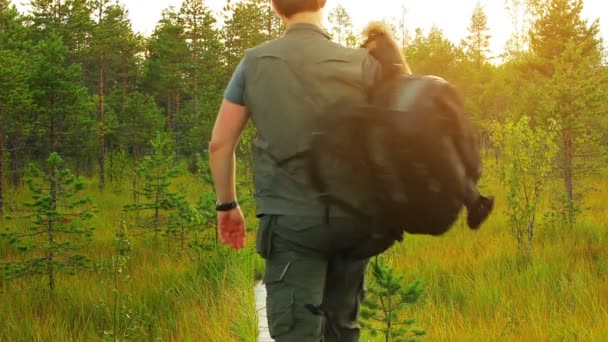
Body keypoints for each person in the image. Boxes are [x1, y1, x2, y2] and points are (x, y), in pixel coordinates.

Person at [208, 1, 387, 340]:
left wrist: (227, 205)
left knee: (296, 333)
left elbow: (220, 143)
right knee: (342, 329)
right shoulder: (363, 63)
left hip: (290, 221)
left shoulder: (255, 62)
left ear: (277, 8)